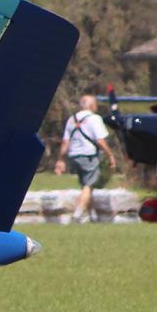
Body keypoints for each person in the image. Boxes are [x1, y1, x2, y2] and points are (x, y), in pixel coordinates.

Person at [54, 94, 119, 222]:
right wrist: (110, 155)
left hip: (74, 156)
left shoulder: (72, 119)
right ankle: (77, 215)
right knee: (88, 186)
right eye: (95, 104)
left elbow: (65, 142)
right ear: (91, 105)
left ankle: (93, 216)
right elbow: (100, 141)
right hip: (89, 156)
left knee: (87, 186)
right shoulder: (94, 118)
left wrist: (60, 160)